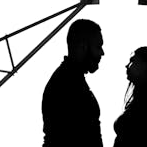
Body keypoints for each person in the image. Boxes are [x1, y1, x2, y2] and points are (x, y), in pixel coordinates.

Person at [42, 19, 105, 147]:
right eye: (98, 46)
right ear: (82, 46)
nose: (102, 53)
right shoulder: (66, 85)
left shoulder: (69, 79)